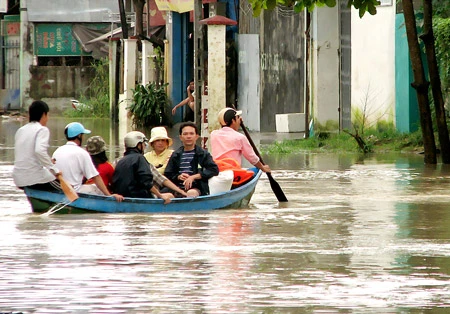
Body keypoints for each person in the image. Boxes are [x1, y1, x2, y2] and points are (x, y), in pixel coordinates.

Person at [52, 122, 123, 202]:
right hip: (75, 191)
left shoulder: (57, 151)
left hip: (60, 189)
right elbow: (96, 177)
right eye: (82, 135)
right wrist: (109, 195)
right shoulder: (82, 153)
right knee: (95, 187)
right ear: (79, 136)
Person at [112, 131, 175, 204]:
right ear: (138, 145)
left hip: (122, 196)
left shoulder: (120, 160)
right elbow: (146, 182)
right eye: (143, 144)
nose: (145, 146)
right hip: (139, 196)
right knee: (170, 195)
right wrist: (160, 195)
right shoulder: (140, 158)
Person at [12, 100, 61, 191]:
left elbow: (27, 154)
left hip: (18, 178)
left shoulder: (21, 130)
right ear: (44, 114)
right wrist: (55, 170)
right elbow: (39, 151)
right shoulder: (42, 130)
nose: (48, 118)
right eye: (48, 115)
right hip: (34, 178)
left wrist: (48, 160)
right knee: (62, 185)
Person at [164, 122, 219, 197]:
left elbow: (214, 170)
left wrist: (194, 177)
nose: (188, 136)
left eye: (191, 134)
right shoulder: (176, 155)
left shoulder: (203, 154)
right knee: (166, 196)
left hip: (196, 188)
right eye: (185, 134)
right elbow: (168, 174)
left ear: (196, 136)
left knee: (191, 193)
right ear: (181, 137)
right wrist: (178, 177)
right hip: (177, 187)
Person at [210, 107, 271, 174]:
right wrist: (262, 167)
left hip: (217, 171)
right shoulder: (240, 137)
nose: (240, 119)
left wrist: (238, 120)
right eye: (238, 117)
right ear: (233, 121)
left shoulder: (213, 135)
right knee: (256, 170)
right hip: (234, 173)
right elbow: (252, 158)